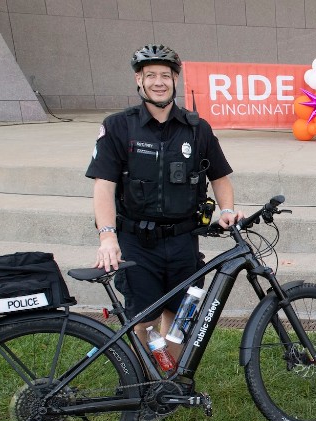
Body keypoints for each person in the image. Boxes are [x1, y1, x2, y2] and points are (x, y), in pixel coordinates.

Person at [86, 44, 244, 360]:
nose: (159, 82)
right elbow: (104, 187)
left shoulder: (197, 128)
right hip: (137, 243)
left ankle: (168, 377)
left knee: (181, 316)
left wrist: (226, 209)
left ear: (175, 81)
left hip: (184, 241)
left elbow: (220, 176)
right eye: (150, 76)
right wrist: (107, 237)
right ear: (139, 82)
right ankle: (147, 376)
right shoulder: (119, 126)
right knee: (144, 319)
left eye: (165, 76)